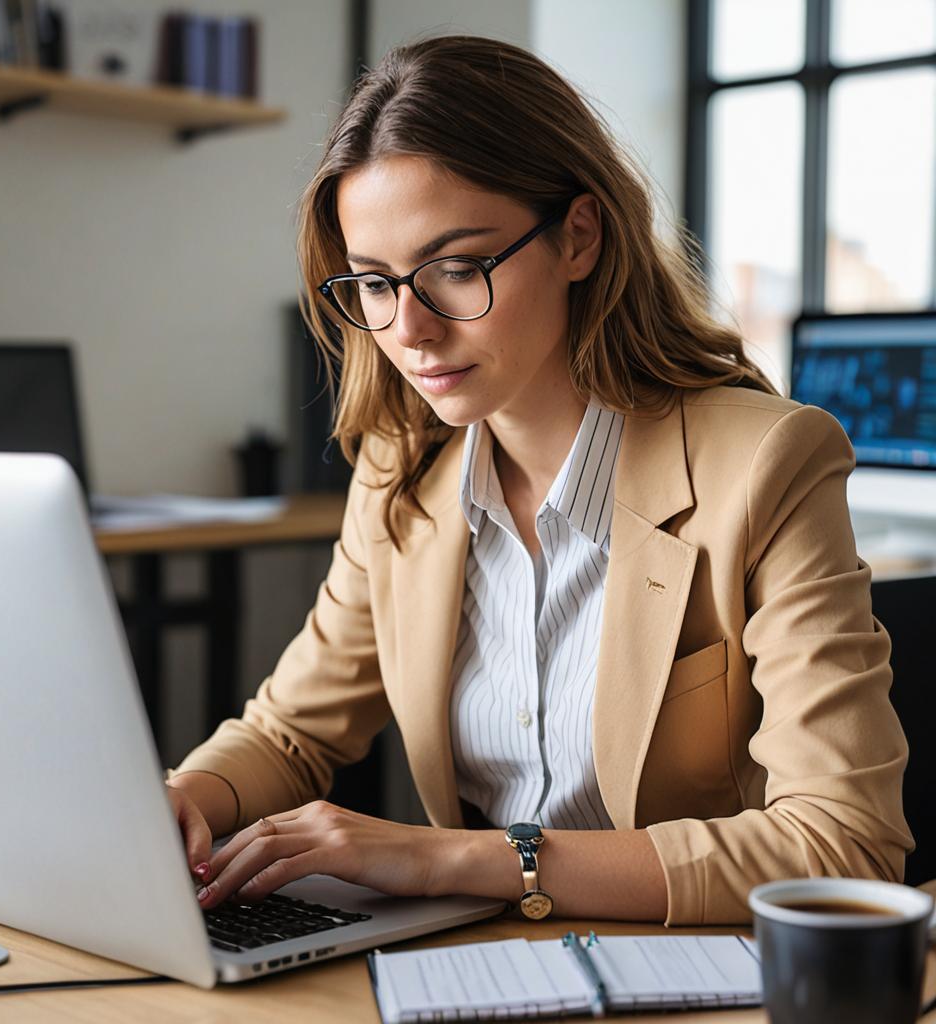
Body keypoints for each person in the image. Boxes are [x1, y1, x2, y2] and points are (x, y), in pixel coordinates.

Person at [164, 34, 911, 926]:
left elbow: (842, 844)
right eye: (373, 282)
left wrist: (452, 858)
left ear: (579, 238)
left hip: (697, 970)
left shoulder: (766, 464)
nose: (410, 330)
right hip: (480, 969)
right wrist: (181, 803)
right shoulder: (401, 475)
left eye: (456, 267)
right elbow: (292, 732)